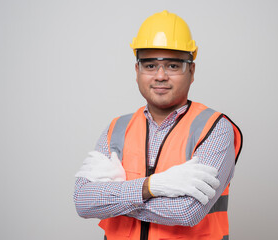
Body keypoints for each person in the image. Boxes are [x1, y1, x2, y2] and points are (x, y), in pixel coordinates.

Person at [74, 10, 243, 240]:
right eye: (150, 65)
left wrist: (113, 200)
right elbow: (84, 201)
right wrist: (152, 187)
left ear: (191, 71)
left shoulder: (214, 129)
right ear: (137, 71)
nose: (160, 75)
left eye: (173, 66)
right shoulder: (117, 129)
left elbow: (187, 212)